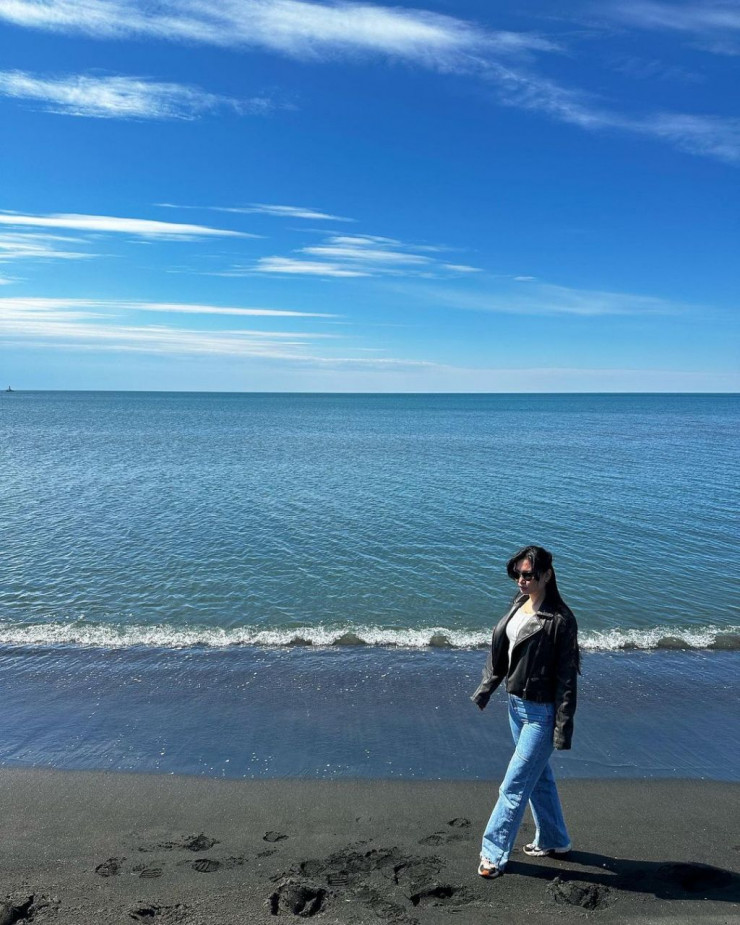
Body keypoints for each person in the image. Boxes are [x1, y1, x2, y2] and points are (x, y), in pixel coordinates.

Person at [471, 545, 580, 879]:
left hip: (541, 715)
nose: (521, 580)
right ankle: (555, 840)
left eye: (528, 574)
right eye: (516, 573)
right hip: (516, 707)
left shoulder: (560, 620)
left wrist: (562, 727)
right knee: (539, 776)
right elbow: (503, 650)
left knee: (514, 784)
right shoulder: (519, 603)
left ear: (546, 575)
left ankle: (493, 854)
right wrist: (488, 687)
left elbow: (567, 679)